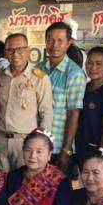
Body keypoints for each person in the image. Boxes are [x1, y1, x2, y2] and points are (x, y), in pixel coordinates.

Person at [0, 33, 53, 171]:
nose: (15, 54)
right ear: (5, 53)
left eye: (20, 49)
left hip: (25, 142)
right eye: (10, 50)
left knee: (23, 181)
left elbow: (46, 113)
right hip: (0, 139)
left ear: (28, 51)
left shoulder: (40, 78)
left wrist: (41, 144)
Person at [37, 22, 87, 172]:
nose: (55, 45)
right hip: (37, 144)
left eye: (60, 40)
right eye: (50, 40)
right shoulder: (38, 69)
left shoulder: (74, 73)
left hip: (58, 147)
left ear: (68, 43)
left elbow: (74, 114)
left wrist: (66, 150)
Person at [75, 47, 103, 157]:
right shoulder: (84, 88)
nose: (93, 68)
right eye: (90, 63)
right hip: (79, 148)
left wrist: (101, 156)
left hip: (96, 151)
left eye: (99, 64)